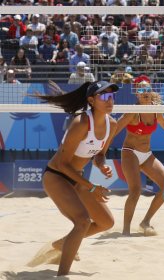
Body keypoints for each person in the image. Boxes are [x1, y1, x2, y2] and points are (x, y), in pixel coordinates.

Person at [30, 81, 119, 276]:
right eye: (104, 96)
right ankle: (62, 275)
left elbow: (100, 153)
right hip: (57, 176)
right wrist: (92, 187)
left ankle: (62, 244)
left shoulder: (112, 124)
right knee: (82, 221)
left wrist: (101, 164)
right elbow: (63, 164)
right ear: (91, 100)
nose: (109, 100)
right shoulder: (81, 123)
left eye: (112, 96)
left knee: (106, 223)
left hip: (77, 178)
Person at [115, 75, 164, 236]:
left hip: (146, 154)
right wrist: (101, 148)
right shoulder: (132, 112)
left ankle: (145, 221)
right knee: (135, 190)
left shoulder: (155, 109)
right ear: (137, 94)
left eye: (148, 89)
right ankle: (126, 230)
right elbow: (116, 129)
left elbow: (163, 123)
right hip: (130, 152)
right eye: (141, 90)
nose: (145, 92)